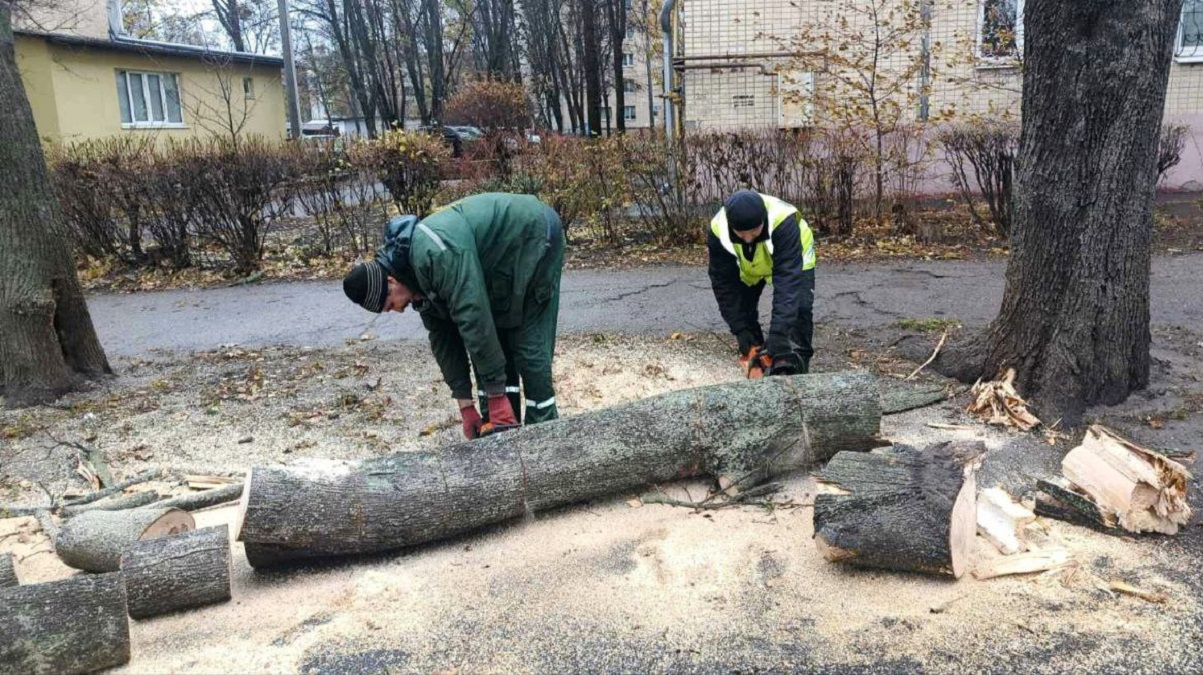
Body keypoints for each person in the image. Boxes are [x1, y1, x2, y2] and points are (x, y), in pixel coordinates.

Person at [342, 193, 564, 439]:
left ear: (391, 281)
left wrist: (496, 394)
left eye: (389, 303)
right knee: (496, 341)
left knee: (527, 343)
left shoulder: (435, 255)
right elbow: (443, 339)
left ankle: (545, 436)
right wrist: (465, 404)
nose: (397, 310)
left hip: (532, 234)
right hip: (495, 262)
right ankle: (503, 433)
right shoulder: (414, 280)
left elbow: (473, 316)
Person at [707, 189, 817, 378]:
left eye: (754, 231)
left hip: (793, 259)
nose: (748, 238)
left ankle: (794, 367)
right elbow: (724, 284)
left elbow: (787, 284)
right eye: (741, 233)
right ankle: (757, 359)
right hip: (749, 265)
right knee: (743, 309)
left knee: (799, 310)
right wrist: (741, 330)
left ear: (763, 220)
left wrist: (779, 335)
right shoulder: (718, 228)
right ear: (731, 226)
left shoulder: (783, 222)